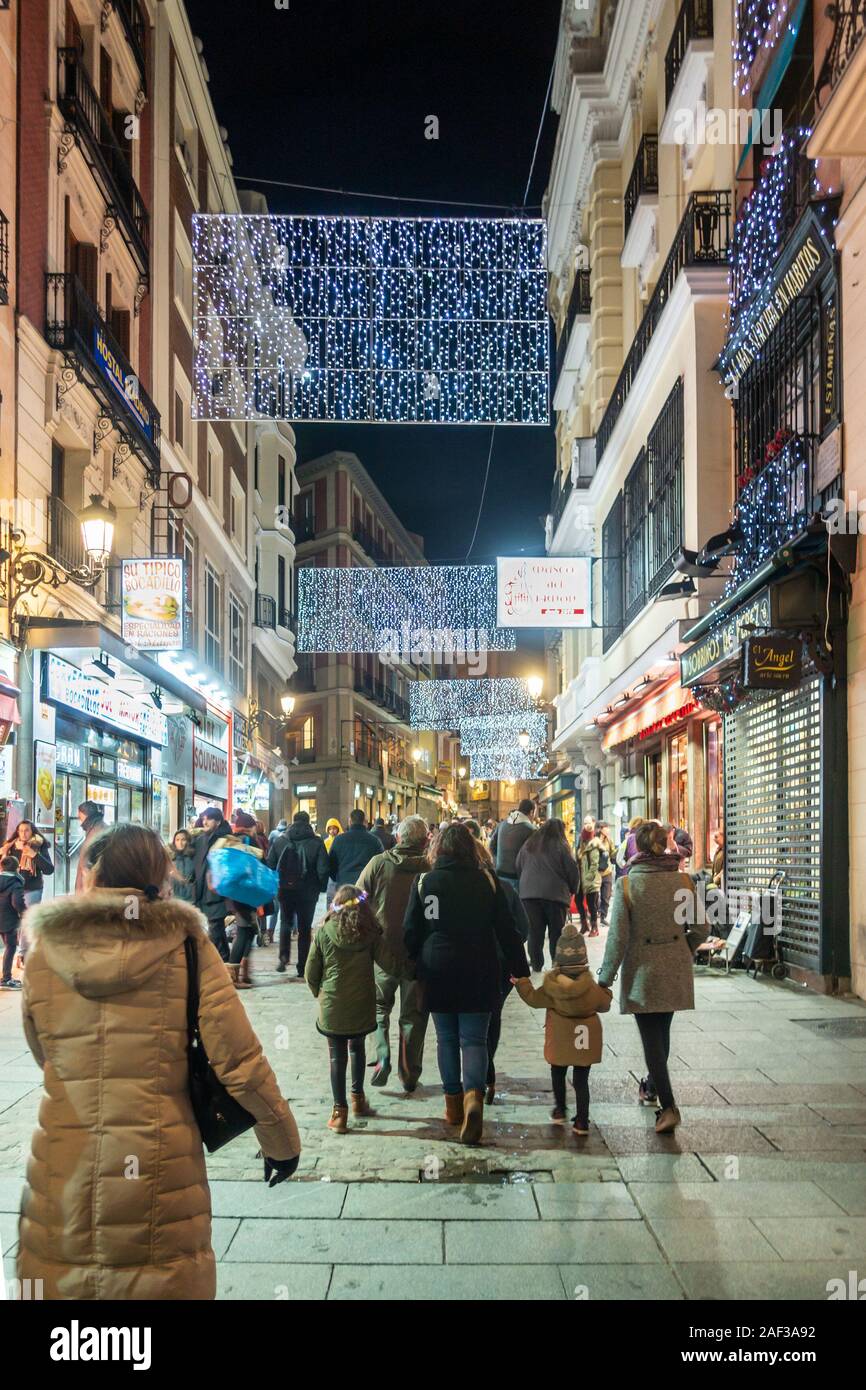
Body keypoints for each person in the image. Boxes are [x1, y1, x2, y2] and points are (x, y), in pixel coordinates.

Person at [17, 823, 300, 1301]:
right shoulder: (187, 946)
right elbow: (238, 1059)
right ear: (158, 874)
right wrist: (281, 1141)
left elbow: (43, 1048)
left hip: (64, 1161)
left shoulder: (45, 950)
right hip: (159, 1163)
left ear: (92, 873)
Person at [403, 822, 529, 1144]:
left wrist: (416, 963)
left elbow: (411, 933)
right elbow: (507, 929)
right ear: (471, 849)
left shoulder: (425, 883)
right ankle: (475, 1097)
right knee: (473, 1039)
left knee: (446, 1038)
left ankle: (453, 1108)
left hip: (438, 969)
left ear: (438, 850)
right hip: (479, 967)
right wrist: (520, 970)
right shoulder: (486, 882)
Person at [597, 820, 704, 1134]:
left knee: (651, 1039)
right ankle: (652, 1086)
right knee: (662, 1031)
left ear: (637, 848)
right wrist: (685, 948)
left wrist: (604, 977)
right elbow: (702, 928)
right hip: (674, 967)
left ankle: (668, 1106)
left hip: (643, 970)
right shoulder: (683, 881)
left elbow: (617, 937)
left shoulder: (628, 885)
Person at [305, 885, 401, 1133]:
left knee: (337, 1056)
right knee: (357, 1047)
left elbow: (310, 973)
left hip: (333, 1007)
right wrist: (413, 970)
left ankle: (339, 1113)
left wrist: (320, 994)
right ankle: (358, 1100)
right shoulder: (370, 934)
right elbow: (390, 963)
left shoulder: (324, 932)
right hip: (361, 1005)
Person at [512, 923, 612, 1134]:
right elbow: (604, 1004)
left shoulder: (551, 989)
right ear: (584, 960)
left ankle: (560, 1109)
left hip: (560, 1041)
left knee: (557, 1073)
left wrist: (522, 983)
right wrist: (607, 991)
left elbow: (532, 998)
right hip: (586, 1043)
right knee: (581, 1080)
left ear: (558, 960)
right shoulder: (592, 989)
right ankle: (582, 1121)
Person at [356, 815, 430, 1093]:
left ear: (398, 838)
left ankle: (382, 1056)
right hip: (417, 952)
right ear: (425, 841)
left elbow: (358, 897)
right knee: (413, 1014)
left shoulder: (378, 863)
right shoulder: (430, 867)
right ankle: (409, 1074)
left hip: (383, 949)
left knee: (378, 1006)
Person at [465, 819, 530, 1103]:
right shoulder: (505, 888)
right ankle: (487, 1073)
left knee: (474, 1023)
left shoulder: (461, 887)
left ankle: (481, 1078)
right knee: (493, 1017)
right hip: (502, 967)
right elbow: (523, 929)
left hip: (471, 965)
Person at [268, 810, 330, 978]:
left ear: (292, 822)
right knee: (304, 928)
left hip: (285, 890)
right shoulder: (316, 842)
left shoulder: (280, 841)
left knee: (285, 923)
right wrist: (321, 887)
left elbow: (270, 864)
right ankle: (302, 966)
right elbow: (323, 869)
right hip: (308, 892)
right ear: (308, 822)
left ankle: (283, 957)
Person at [515, 817, 580, 972]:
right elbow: (573, 871)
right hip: (555, 896)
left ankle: (536, 964)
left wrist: (525, 884)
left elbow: (518, 865)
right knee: (556, 932)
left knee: (535, 932)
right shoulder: (562, 846)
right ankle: (556, 964)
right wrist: (573, 889)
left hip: (529, 896)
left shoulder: (529, 844)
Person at [191, 806, 234, 960]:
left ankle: (224, 962)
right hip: (201, 890)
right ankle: (223, 963)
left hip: (216, 892)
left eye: (208, 818)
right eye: (203, 818)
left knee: (216, 930)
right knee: (214, 931)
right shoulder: (201, 838)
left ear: (218, 821)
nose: (205, 821)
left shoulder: (226, 839)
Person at [1, 820, 54, 909]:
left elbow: (49, 870)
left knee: (28, 918)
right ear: (17, 832)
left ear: (32, 831)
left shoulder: (39, 845)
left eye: (26, 830)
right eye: (21, 831)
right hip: (11, 889)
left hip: (32, 889)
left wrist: (33, 854)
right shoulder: (10, 847)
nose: (23, 833)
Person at [489, 798, 536, 888]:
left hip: (500, 874)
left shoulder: (502, 824)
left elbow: (491, 846)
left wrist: (499, 861)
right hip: (518, 878)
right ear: (531, 812)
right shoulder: (531, 829)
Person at [328, 809, 382, 888]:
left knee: (345, 900)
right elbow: (380, 865)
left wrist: (338, 878)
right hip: (366, 888)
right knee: (362, 900)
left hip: (343, 886)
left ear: (350, 821)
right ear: (365, 822)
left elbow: (331, 865)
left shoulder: (338, 840)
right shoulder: (375, 841)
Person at [0, 854, 27, 990]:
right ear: (17, 868)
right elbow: (17, 902)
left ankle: (5, 977)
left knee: (7, 947)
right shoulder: (16, 883)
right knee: (10, 948)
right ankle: (6, 979)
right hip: (9, 920)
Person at [226, 897, 258, 990]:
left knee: (249, 934)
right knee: (242, 935)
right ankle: (233, 978)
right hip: (241, 902)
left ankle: (244, 975)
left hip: (247, 902)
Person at [74, 802, 106, 893]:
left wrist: (80, 890)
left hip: (91, 888)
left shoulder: (95, 832)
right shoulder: (98, 827)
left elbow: (85, 865)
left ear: (85, 815)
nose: (79, 819)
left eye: (79, 816)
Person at [577, 825, 603, 936]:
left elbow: (594, 865)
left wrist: (588, 877)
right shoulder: (582, 846)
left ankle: (594, 928)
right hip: (581, 879)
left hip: (591, 881)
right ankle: (584, 924)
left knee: (592, 905)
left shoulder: (593, 846)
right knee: (578, 901)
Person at [168, 828, 196, 903]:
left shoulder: (193, 858)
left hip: (190, 898)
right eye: (177, 840)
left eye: (183, 839)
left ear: (188, 841)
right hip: (173, 897)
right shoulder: (171, 858)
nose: (180, 843)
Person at [596, 822, 615, 924]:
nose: (608, 830)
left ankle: (603, 916)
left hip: (607, 871)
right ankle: (596, 913)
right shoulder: (595, 841)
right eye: (606, 828)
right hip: (597, 872)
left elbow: (612, 853)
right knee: (595, 896)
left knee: (606, 896)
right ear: (600, 829)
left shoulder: (609, 840)